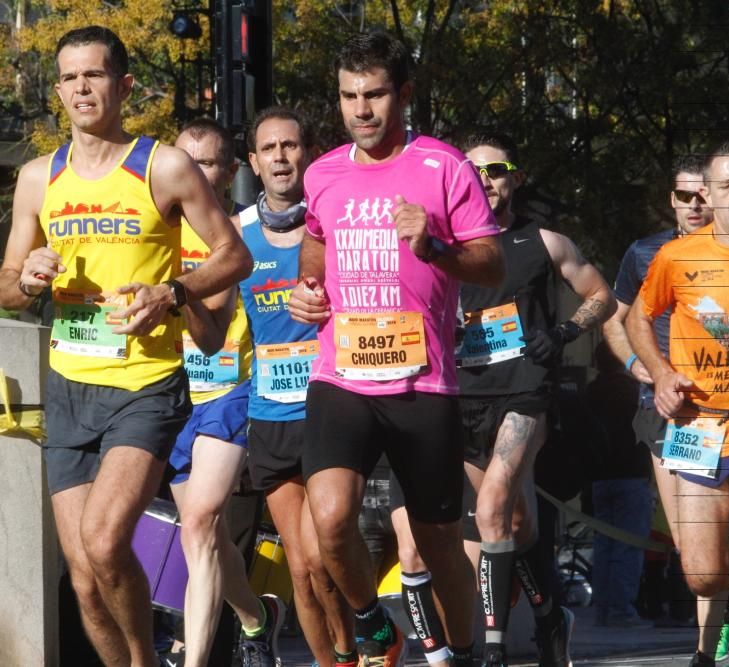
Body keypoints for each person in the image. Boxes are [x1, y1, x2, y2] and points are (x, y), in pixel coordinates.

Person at [0, 25, 250, 667]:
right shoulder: (37, 177)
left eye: (96, 74)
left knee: (106, 542)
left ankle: (144, 660)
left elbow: (234, 254)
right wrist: (24, 280)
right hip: (69, 387)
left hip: (143, 385)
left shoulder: (162, 164)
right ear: (58, 89)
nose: (82, 87)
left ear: (124, 85)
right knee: (83, 577)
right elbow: (4, 285)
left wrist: (173, 292)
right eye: (71, 77)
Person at [289, 31, 505, 667]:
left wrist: (434, 245)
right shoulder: (324, 171)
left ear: (403, 95)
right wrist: (308, 290)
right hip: (342, 376)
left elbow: (490, 264)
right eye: (349, 96)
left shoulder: (444, 166)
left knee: (439, 545)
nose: (361, 110)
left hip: (423, 383)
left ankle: (463, 652)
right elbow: (316, 242)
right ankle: (367, 620)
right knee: (329, 520)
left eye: (375, 94)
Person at [457, 131, 616, 667]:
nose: (486, 182)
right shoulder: (440, 246)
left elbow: (601, 295)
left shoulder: (545, 242)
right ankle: (550, 617)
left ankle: (495, 648)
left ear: (515, 178)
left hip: (526, 392)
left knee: (493, 505)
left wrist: (566, 332)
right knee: (512, 523)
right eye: (474, 172)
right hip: (465, 395)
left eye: (496, 170)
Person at [625, 139, 729, 667]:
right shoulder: (675, 257)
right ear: (708, 195)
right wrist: (661, 374)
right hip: (698, 423)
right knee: (703, 572)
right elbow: (636, 319)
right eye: (728, 185)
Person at [601, 154, 729, 665]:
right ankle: (714, 630)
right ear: (671, 201)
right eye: (685, 196)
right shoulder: (645, 253)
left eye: (705, 194)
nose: (696, 205)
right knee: (689, 540)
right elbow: (617, 318)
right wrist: (641, 364)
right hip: (667, 411)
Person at [238, 107, 356, 667]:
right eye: (269, 149)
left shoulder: (334, 223)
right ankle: (333, 660)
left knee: (322, 553)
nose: (281, 157)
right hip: (268, 414)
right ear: (254, 163)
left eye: (290, 145)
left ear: (306, 153)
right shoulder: (233, 239)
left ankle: (354, 648)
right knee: (303, 569)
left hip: (329, 405)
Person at [168, 117, 283, 667]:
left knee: (199, 523)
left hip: (233, 391)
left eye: (207, 162)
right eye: (184, 159)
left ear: (230, 171)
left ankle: (195, 660)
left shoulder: (240, 234)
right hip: (172, 396)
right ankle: (256, 617)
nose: (193, 170)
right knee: (203, 542)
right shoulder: (153, 231)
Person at [584, 341, 653, 627]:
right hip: (631, 475)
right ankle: (622, 609)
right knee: (629, 545)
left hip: (599, 477)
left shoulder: (590, 392)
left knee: (604, 544)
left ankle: (603, 608)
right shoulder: (632, 391)